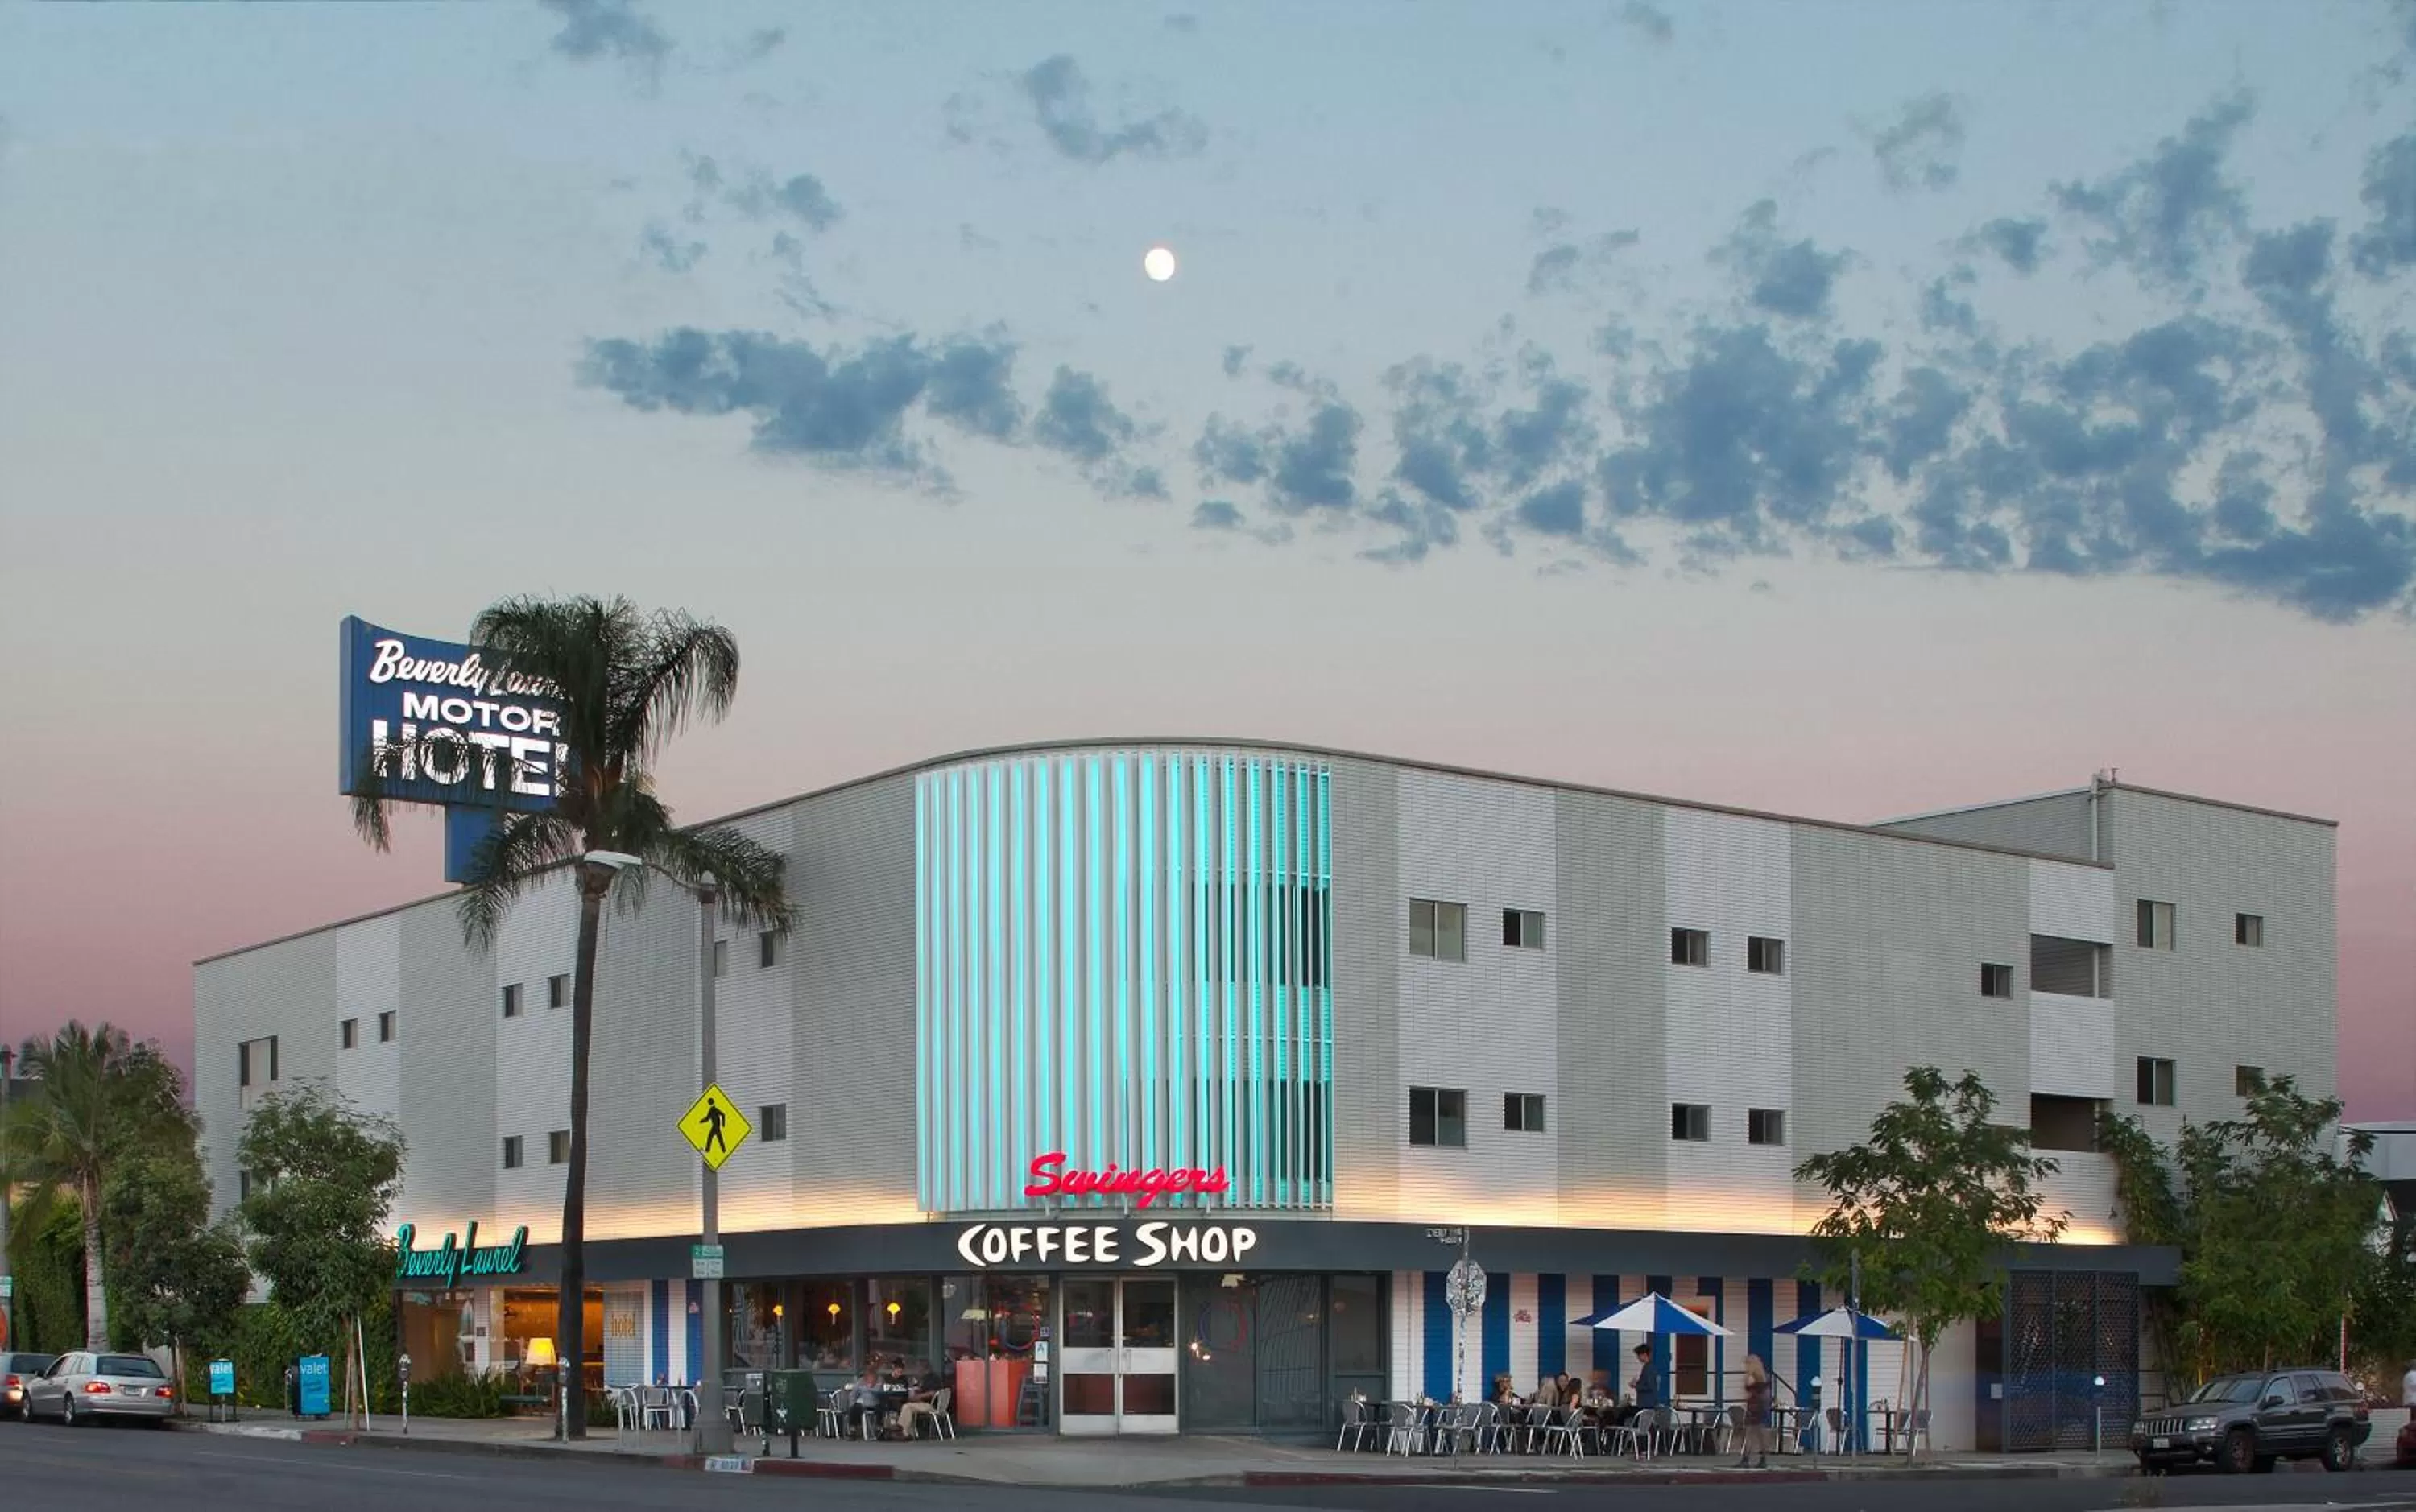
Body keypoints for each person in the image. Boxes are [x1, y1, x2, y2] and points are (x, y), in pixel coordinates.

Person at [1736, 1353, 1773, 1469]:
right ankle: (1761, 1459)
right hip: (1759, 1407)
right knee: (1758, 1434)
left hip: (1755, 1407)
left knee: (1751, 1434)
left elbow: (1748, 1390)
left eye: (1747, 1364)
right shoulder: (1763, 1376)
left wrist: (1746, 1377)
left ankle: (1747, 1459)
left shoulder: (1755, 1377)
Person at [898, 1361, 946, 1439]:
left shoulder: (933, 1378)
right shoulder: (924, 1378)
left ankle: (903, 1432)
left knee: (907, 1407)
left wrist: (919, 1397)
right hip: (924, 1404)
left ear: (924, 1369)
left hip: (931, 1405)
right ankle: (910, 1433)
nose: (917, 1370)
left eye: (918, 1368)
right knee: (907, 1407)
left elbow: (933, 1392)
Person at [842, 1369, 886, 1440]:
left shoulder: (879, 1382)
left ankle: (879, 1429)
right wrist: (852, 1404)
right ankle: (853, 1430)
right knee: (855, 1408)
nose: (870, 1378)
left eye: (872, 1376)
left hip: (875, 1402)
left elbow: (882, 1392)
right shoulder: (860, 1382)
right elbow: (853, 1394)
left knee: (880, 1409)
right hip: (863, 1402)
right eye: (868, 1376)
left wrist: (872, 1387)